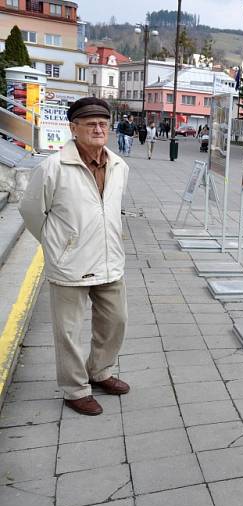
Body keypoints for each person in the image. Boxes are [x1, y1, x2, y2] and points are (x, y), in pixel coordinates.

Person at [20, 97, 130, 416]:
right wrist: (57, 245)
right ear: (74, 128)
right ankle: (74, 389)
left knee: (116, 321)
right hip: (70, 265)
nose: (98, 129)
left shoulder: (120, 166)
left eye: (103, 124)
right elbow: (30, 210)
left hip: (110, 260)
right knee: (68, 331)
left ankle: (100, 371)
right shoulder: (53, 167)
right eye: (90, 124)